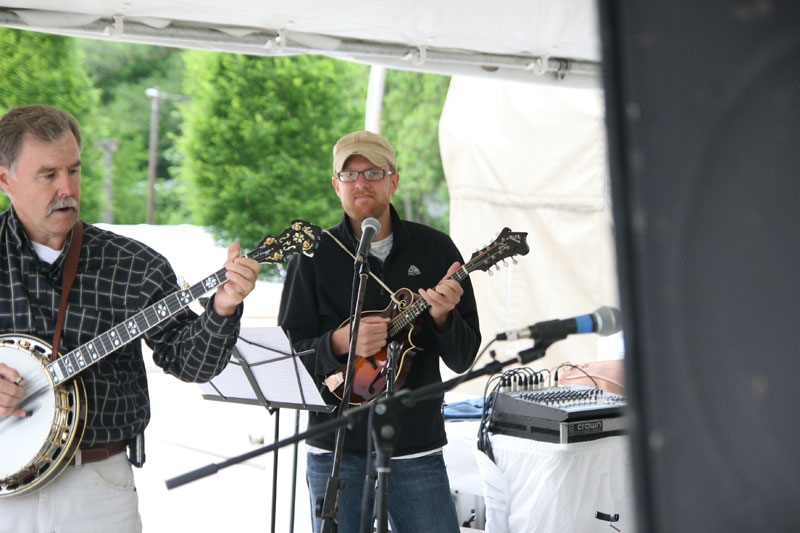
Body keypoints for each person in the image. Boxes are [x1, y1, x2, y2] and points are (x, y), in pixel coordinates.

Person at [0, 104, 261, 532]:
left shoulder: (134, 265)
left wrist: (223, 307)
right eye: (48, 175)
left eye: (75, 170)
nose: (67, 188)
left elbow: (190, 363)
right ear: (5, 179)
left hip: (96, 484)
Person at [278, 130, 481, 532]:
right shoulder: (315, 255)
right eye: (350, 176)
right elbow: (287, 356)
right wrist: (340, 342)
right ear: (336, 185)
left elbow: (463, 357)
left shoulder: (436, 250)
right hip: (335, 445)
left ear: (394, 180)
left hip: (415, 445)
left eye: (373, 172)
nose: (361, 184)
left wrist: (442, 318)